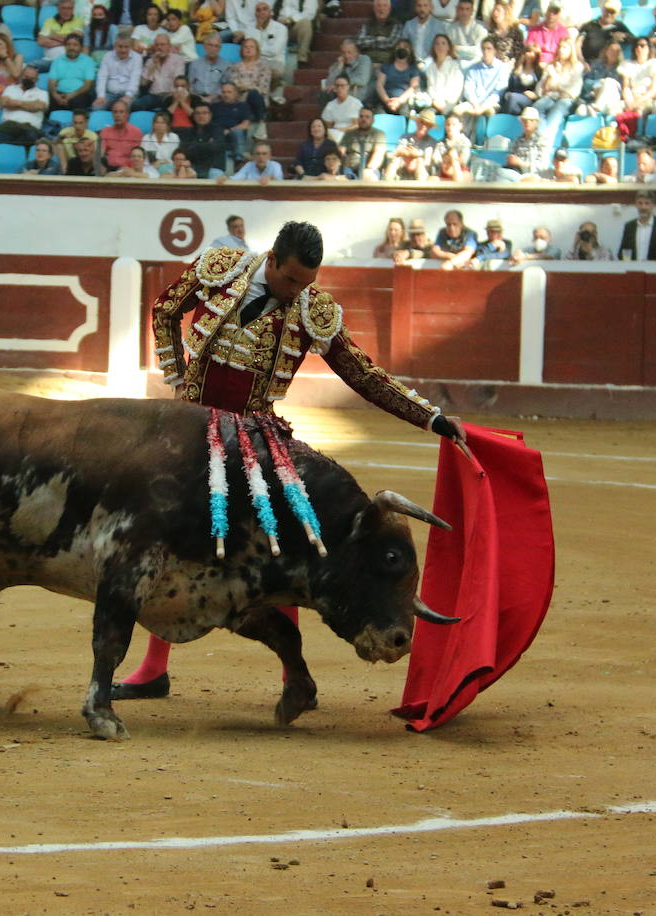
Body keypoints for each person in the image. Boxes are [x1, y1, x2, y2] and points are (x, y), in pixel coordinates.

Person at [116, 221, 468, 701]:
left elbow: (363, 374)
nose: (298, 292)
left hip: (256, 439)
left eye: (307, 284)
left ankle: (294, 676)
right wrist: (176, 376)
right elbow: (164, 309)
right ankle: (153, 668)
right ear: (273, 260)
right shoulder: (220, 269)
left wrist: (432, 418)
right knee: (173, 543)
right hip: (189, 433)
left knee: (282, 546)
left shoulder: (313, 311)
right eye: (291, 281)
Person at [454, 36, 508, 135]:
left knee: (489, 112)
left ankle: (484, 141)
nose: (485, 52)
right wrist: (475, 104)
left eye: (489, 49)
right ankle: (460, 136)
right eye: (483, 49)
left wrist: (482, 107)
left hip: (490, 104)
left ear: (495, 51)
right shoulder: (474, 68)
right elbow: (468, 89)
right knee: (457, 110)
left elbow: (497, 93)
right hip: (474, 102)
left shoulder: (502, 68)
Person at [532, 35, 581, 140]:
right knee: (536, 108)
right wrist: (550, 85)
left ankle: (544, 140)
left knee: (556, 111)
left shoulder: (577, 67)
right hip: (549, 97)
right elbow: (541, 88)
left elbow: (573, 89)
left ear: (571, 50)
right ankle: (542, 136)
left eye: (564, 48)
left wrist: (555, 80)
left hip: (565, 99)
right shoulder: (551, 66)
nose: (561, 50)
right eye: (560, 47)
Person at [0, 66, 48, 146]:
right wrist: (28, 104)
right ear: (22, 76)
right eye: (26, 77)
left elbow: (39, 106)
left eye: (32, 78)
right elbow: (4, 102)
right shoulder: (10, 89)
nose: (28, 79)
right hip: (9, 126)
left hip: (30, 128)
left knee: (31, 139)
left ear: (37, 80)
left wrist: (14, 103)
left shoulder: (42, 93)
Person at [135, 33, 186, 112]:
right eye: (157, 45)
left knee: (169, 109)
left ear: (169, 46)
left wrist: (171, 95)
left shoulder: (178, 60)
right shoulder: (150, 61)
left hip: (170, 95)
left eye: (162, 45)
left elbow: (179, 83)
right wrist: (153, 65)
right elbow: (143, 83)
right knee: (135, 105)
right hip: (153, 95)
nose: (159, 47)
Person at [49, 34, 97, 111]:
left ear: (81, 47)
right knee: (49, 100)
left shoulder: (88, 61)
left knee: (80, 101)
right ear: (65, 46)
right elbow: (51, 81)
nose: (71, 48)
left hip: (79, 95)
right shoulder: (57, 60)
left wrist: (70, 96)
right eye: (68, 44)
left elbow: (87, 85)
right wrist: (55, 95)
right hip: (60, 94)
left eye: (75, 45)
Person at [376, 38, 424, 114]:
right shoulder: (386, 66)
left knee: (405, 114)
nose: (402, 48)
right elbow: (379, 85)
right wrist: (387, 101)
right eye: (399, 46)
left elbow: (413, 87)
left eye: (405, 47)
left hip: (404, 102)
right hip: (385, 101)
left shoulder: (414, 69)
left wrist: (399, 101)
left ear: (410, 50)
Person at [576, 0, 632, 64]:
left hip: (609, 66)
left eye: (612, 12)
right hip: (588, 63)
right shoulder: (589, 25)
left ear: (617, 14)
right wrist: (582, 62)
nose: (608, 14)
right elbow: (578, 43)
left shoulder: (619, 26)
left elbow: (633, 40)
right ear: (603, 10)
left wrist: (624, 35)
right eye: (607, 10)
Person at [94, 35, 142, 109]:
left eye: (126, 47)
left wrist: (128, 95)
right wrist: (101, 96)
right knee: (97, 106)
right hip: (110, 94)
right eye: (120, 46)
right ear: (115, 46)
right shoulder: (107, 56)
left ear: (131, 47)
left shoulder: (137, 58)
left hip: (129, 94)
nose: (123, 50)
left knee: (126, 107)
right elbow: (102, 77)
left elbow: (135, 79)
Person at [181, 100, 227, 177]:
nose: (201, 116)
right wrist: (207, 144)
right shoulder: (188, 131)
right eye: (198, 113)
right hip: (193, 167)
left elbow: (215, 148)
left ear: (210, 115)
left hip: (213, 167)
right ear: (194, 115)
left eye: (204, 113)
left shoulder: (217, 130)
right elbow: (185, 150)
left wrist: (195, 146)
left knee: (215, 174)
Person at [423, 32, 464, 115]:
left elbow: (456, 89)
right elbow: (430, 87)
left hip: (450, 103)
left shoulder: (454, 65)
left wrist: (444, 103)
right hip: (434, 102)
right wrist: (435, 100)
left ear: (448, 47)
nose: (440, 46)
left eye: (443, 43)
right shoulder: (431, 67)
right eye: (437, 44)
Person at [340, 106, 387, 178]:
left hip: (369, 169)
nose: (363, 119)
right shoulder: (349, 133)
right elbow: (341, 152)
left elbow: (378, 154)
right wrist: (345, 168)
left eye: (367, 117)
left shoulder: (379, 134)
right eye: (361, 116)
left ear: (372, 120)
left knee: (368, 177)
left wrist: (369, 170)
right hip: (349, 169)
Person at [323, 38, 372, 104]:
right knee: (324, 94)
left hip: (356, 93)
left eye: (349, 52)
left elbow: (362, 80)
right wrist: (339, 67)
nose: (346, 56)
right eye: (343, 53)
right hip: (338, 94)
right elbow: (329, 83)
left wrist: (341, 84)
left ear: (356, 52)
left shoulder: (364, 60)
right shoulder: (338, 63)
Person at [37, 0, 86, 65]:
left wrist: (53, 36)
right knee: (30, 67)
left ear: (73, 9)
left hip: (70, 60)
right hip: (49, 61)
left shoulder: (78, 21)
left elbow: (76, 39)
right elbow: (41, 41)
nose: (66, 11)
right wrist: (66, 41)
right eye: (63, 8)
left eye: (69, 8)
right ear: (58, 9)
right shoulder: (49, 21)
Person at [356, 0, 403, 68]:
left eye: (384, 6)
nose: (381, 9)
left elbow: (391, 43)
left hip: (387, 63)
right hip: (367, 63)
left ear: (389, 9)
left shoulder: (396, 25)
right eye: (379, 6)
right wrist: (376, 39)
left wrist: (369, 40)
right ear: (374, 9)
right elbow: (359, 42)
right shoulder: (367, 25)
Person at [99, 97, 143, 168]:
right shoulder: (105, 132)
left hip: (128, 170)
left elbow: (137, 158)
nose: (117, 115)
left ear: (127, 114)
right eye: (115, 112)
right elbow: (99, 155)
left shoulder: (136, 132)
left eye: (121, 112)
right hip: (108, 169)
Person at [505, 105, 548, 177]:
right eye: (524, 120)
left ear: (536, 123)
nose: (527, 123)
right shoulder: (517, 141)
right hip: (516, 174)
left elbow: (543, 167)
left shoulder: (542, 141)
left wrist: (521, 163)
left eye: (531, 120)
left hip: (534, 177)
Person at [401, 0, 445, 67]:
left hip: (431, 64)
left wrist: (426, 63)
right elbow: (403, 46)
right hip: (411, 64)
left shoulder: (439, 26)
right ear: (415, 8)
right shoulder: (409, 25)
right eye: (419, 6)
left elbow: (442, 49)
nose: (422, 9)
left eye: (425, 5)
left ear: (430, 7)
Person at [501, 44, 541, 114]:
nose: (530, 54)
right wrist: (518, 69)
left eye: (533, 53)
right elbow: (510, 86)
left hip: (528, 98)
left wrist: (535, 94)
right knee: (512, 103)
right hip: (514, 95)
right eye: (528, 51)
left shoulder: (538, 71)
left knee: (512, 98)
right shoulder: (517, 68)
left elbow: (540, 87)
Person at [320, 74, 360, 141]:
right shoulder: (330, 105)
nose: (339, 88)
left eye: (342, 86)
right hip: (334, 135)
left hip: (351, 135)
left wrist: (340, 130)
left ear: (348, 87)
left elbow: (357, 125)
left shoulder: (355, 103)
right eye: (337, 86)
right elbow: (328, 125)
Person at [189, 34, 228, 102]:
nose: (213, 49)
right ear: (205, 46)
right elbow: (190, 85)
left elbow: (225, 86)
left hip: (217, 99)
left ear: (220, 49)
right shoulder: (195, 64)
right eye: (210, 45)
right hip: (197, 98)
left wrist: (211, 98)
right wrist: (199, 98)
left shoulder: (226, 65)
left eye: (216, 46)